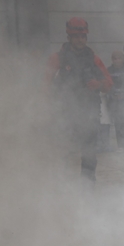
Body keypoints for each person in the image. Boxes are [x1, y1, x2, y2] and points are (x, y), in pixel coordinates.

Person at [46, 17, 113, 182]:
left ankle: (87, 187)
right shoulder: (57, 59)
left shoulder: (94, 59)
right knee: (62, 151)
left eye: (83, 36)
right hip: (64, 113)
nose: (80, 40)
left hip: (89, 113)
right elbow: (45, 85)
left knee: (89, 153)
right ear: (68, 37)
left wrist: (98, 84)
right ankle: (61, 186)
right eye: (76, 36)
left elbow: (109, 83)